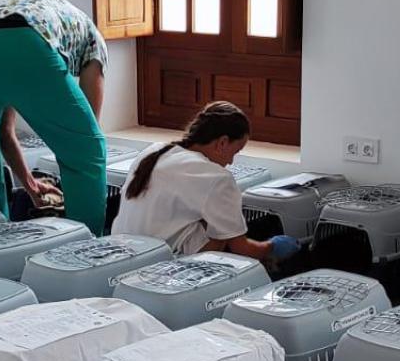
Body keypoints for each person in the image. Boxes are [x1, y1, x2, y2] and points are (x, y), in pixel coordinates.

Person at [0, 0, 109, 233]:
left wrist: (29, 184)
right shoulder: (94, 42)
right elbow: (85, 139)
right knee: (87, 150)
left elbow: (4, 134)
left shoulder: (55, 18)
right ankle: (85, 245)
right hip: (24, 40)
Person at [111, 101, 301, 260]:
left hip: (120, 252)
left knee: (215, 222)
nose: (231, 161)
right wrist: (273, 247)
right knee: (222, 231)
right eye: (235, 151)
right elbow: (243, 249)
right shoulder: (217, 178)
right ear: (222, 143)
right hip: (159, 265)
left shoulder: (155, 150)